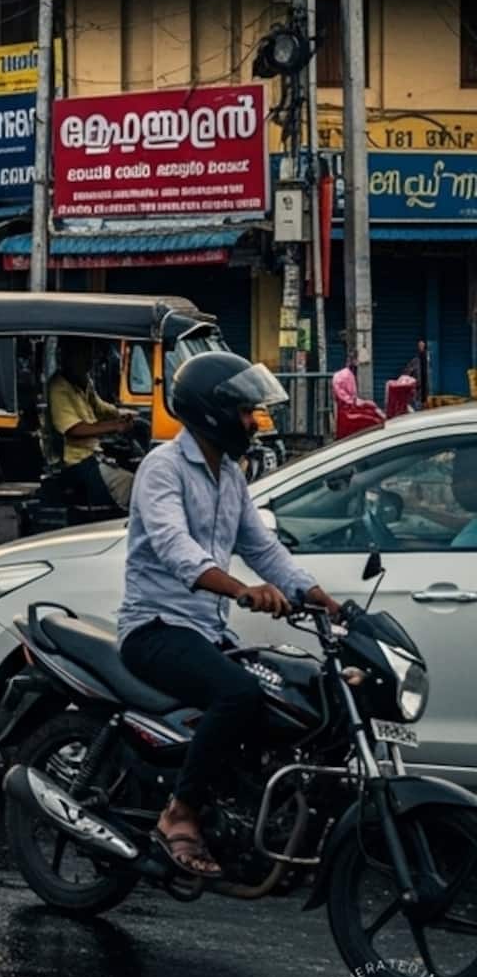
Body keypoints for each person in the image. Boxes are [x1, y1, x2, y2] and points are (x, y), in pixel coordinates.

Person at [117, 350, 337, 880]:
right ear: (210, 411)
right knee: (237, 692)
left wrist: (317, 594)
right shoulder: (162, 469)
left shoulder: (230, 477)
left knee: (283, 699)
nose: (253, 421)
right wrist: (241, 590)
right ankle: (180, 814)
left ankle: (238, 814)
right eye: (244, 411)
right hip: (154, 627)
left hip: (207, 629)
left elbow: (263, 548)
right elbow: (174, 547)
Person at [47, 337, 136, 509]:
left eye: (90, 355)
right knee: (130, 483)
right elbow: (73, 429)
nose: (89, 361)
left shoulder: (83, 381)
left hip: (94, 455)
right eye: (83, 355)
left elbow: (100, 408)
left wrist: (122, 414)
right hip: (77, 462)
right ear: (67, 357)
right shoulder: (59, 387)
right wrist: (114, 426)